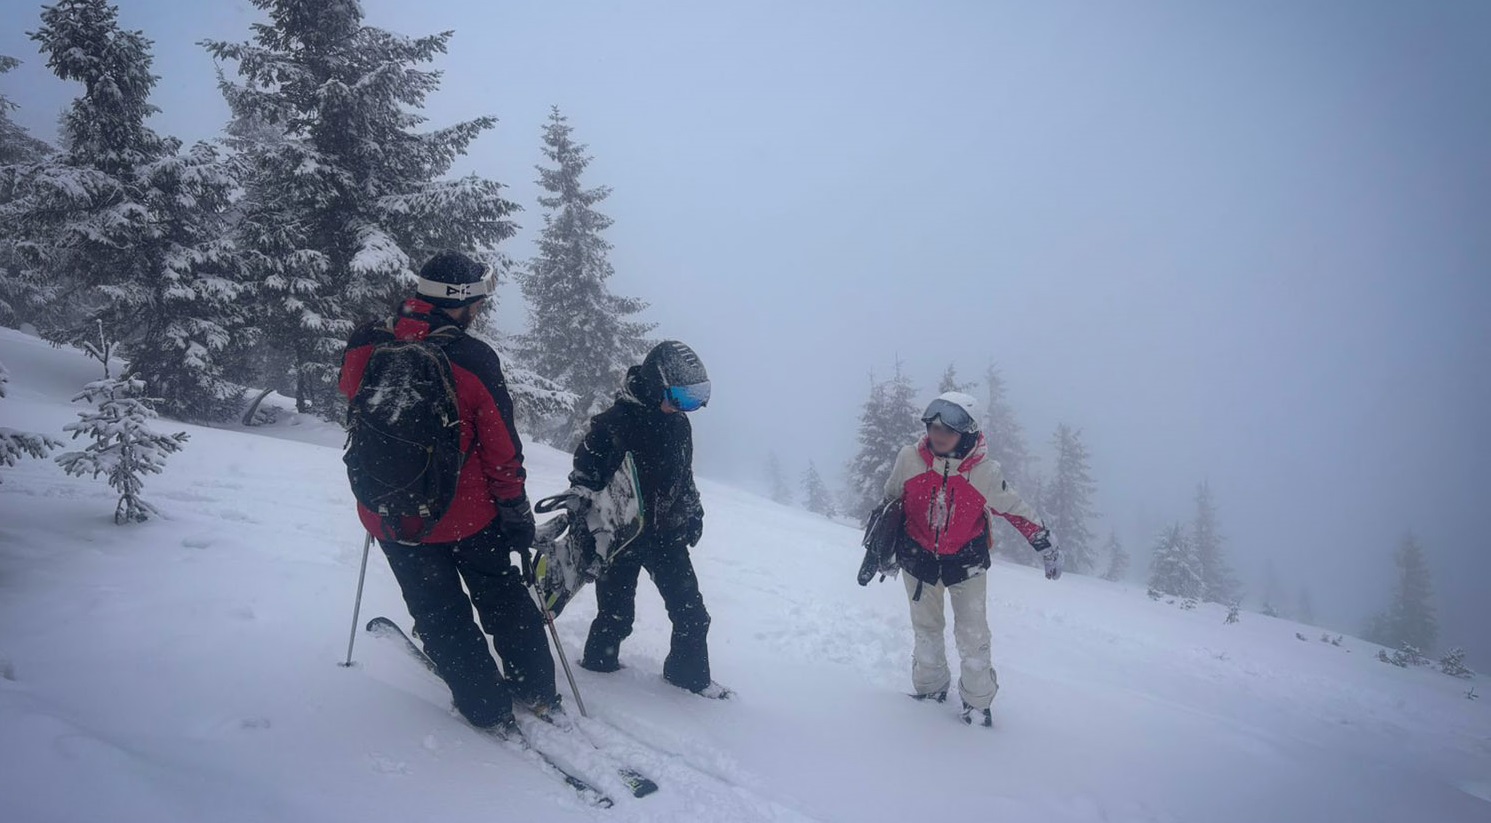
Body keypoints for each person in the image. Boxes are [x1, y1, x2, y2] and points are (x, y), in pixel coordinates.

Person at [338, 250, 556, 733]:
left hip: (392, 514)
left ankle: (483, 705)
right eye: (478, 300)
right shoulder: (472, 358)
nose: (481, 309)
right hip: (468, 517)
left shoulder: (366, 345)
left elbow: (353, 398)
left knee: (439, 614)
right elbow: (502, 452)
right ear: (463, 302)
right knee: (503, 599)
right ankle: (535, 687)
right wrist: (515, 513)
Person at [883, 391, 1062, 726]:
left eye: (947, 431)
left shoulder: (984, 473)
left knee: (973, 635)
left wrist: (1045, 544)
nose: (937, 436)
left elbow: (1015, 509)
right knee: (926, 629)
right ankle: (931, 689)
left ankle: (978, 704)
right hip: (918, 560)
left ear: (967, 433)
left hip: (966, 565)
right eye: (933, 428)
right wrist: (885, 548)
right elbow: (892, 499)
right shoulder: (910, 458)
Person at [568, 340, 731, 698]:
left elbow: (683, 476)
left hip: (666, 535)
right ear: (656, 385)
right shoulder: (614, 424)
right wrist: (587, 526)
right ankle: (599, 670)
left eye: (693, 401)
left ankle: (687, 679)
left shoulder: (678, 425)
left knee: (692, 615)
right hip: (622, 537)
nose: (684, 409)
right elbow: (583, 481)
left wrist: (693, 510)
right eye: (681, 399)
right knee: (616, 616)